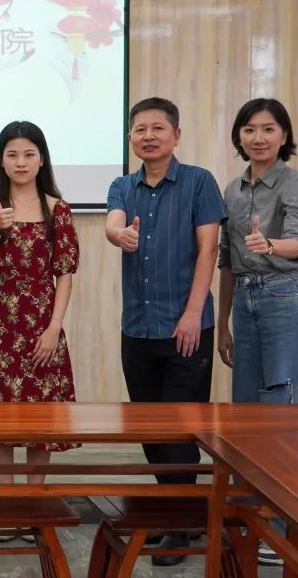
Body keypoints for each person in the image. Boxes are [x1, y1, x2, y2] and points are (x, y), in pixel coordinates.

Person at [104, 97, 224, 565]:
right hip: (137, 328)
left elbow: (208, 249)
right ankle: (173, 514)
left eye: (158, 128)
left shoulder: (199, 181)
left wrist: (193, 313)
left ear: (176, 135)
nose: (148, 136)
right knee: (151, 430)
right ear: (130, 138)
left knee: (181, 432)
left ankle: (182, 525)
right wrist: (119, 235)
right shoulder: (122, 186)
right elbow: (113, 224)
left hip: (186, 327)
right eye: (140, 129)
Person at [216, 98, 298, 567]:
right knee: (247, 416)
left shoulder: (296, 183)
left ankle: (284, 531)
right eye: (249, 129)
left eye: (268, 129)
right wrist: (223, 323)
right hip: (246, 300)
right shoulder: (233, 190)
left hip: (286, 297)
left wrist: (270, 243)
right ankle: (250, 522)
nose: (258, 138)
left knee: (286, 414)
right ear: (239, 136)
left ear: (284, 135)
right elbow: (227, 261)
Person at [0, 121, 79, 541]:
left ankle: (32, 504)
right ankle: (6, 503)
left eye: (29, 154)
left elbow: (64, 272)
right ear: (1, 160)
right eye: (12, 154)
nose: (21, 162)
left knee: (39, 419)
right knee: (0, 419)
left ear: (41, 159)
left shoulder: (58, 208)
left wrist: (54, 328)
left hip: (41, 326)